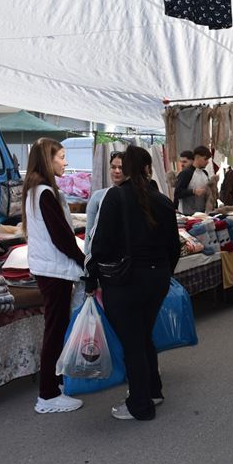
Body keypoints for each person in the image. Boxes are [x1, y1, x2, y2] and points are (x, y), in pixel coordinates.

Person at [86, 146, 180, 420]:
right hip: (157, 279)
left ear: (125, 169)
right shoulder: (162, 200)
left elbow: (100, 244)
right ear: (148, 168)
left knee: (133, 343)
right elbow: (174, 247)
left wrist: (92, 275)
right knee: (143, 336)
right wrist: (163, 272)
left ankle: (140, 404)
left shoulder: (115, 197)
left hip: (125, 281)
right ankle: (153, 391)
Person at [23, 138, 86, 414]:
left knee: (55, 327)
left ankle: (55, 383)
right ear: (48, 160)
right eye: (61, 157)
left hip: (48, 268)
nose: (65, 162)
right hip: (54, 270)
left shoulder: (35, 190)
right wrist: (84, 262)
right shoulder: (45, 192)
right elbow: (62, 237)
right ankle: (47, 395)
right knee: (55, 329)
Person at [85, 151, 125, 254]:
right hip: (103, 256)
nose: (116, 171)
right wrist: (87, 256)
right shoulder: (97, 196)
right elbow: (89, 231)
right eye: (113, 167)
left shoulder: (133, 196)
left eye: (121, 168)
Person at [173, 146, 211, 215]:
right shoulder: (186, 173)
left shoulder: (205, 173)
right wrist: (193, 191)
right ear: (197, 157)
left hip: (202, 214)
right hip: (187, 215)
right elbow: (177, 193)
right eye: (205, 159)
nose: (207, 162)